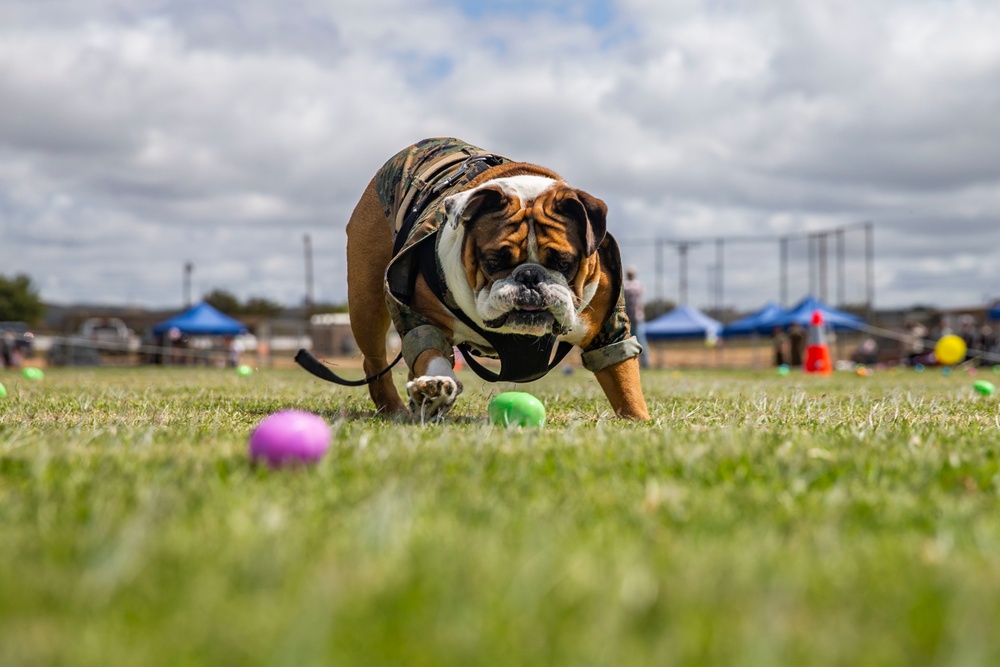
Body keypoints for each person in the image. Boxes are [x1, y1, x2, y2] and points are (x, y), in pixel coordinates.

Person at [623, 266, 650, 368]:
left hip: (631, 318)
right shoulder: (638, 285)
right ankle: (643, 364)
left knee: (632, 343)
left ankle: (637, 364)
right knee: (640, 342)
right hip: (635, 318)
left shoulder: (625, 286)